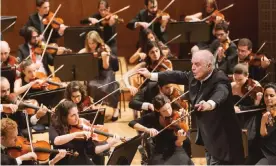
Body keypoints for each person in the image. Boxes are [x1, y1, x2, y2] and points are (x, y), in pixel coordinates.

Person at [138, 50, 244, 164]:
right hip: (209, 138)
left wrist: (209, 104)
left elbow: (221, 93)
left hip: (225, 141)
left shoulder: (220, 79)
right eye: (192, 63)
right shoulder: (194, 77)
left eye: (197, 64)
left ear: (209, 65)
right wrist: (151, 75)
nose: (193, 67)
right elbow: (176, 75)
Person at [129, 94, 193, 165]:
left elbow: (182, 141)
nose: (168, 112)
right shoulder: (153, 117)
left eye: (169, 108)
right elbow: (132, 123)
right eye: (164, 111)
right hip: (160, 152)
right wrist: (147, 129)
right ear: (157, 110)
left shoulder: (177, 112)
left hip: (177, 148)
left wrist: (180, 140)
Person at [49, 100, 120, 165]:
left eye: (77, 113)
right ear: (64, 117)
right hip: (63, 161)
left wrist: (110, 144)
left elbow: (93, 150)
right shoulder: (55, 126)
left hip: (81, 159)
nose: (77, 118)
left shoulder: (81, 128)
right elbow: (56, 141)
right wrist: (76, 134)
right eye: (73, 115)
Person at [79, 31, 120, 121]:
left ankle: (115, 108)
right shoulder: (88, 49)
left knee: (105, 87)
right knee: (91, 85)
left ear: (97, 41)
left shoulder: (104, 48)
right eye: (89, 43)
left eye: (93, 43)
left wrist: (104, 57)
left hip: (106, 73)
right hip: (95, 73)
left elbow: (106, 66)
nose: (91, 45)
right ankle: (94, 106)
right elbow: (81, 53)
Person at [231, 64, 265, 164]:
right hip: (235, 119)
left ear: (247, 76)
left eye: (240, 79)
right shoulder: (230, 86)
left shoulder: (255, 86)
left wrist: (257, 101)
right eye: (235, 79)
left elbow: (258, 108)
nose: (237, 82)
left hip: (250, 120)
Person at [1, 118, 67, 165]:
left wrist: (52, 162)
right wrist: (21, 158)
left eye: (17, 136)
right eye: (14, 138)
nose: (17, 139)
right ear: (2, 138)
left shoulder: (19, 142)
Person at [256, 83, 276, 165]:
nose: (268, 98)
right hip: (261, 149)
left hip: (271, 152)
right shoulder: (263, 109)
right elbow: (253, 108)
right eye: (266, 95)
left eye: (272, 95)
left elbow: (264, 134)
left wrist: (263, 122)